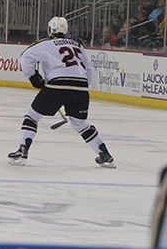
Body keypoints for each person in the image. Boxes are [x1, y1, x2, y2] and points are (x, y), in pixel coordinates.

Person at [7, 16, 114, 168]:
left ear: (50, 30)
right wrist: (82, 87)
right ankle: (104, 154)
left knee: (32, 116)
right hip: (81, 86)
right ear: (66, 30)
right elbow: (88, 68)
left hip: (57, 85)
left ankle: (23, 150)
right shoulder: (78, 45)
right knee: (80, 123)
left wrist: (33, 77)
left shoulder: (46, 44)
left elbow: (25, 58)